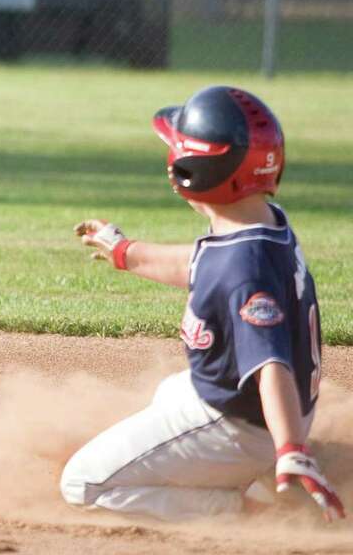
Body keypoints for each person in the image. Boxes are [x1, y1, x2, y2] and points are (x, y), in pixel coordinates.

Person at [60, 85, 343, 523]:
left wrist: (291, 450)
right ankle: (258, 464)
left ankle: (240, 507)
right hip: (259, 413)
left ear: (189, 169)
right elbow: (202, 265)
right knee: (169, 391)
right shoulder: (262, 224)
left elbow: (272, 365)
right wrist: (124, 251)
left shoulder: (243, 269)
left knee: (82, 485)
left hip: (243, 426)